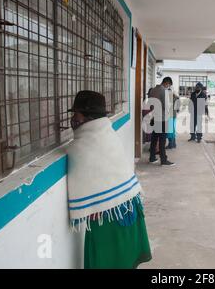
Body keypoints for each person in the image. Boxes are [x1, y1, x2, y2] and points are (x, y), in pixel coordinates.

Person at [67, 91, 151, 269]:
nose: (73, 119)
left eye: (76, 114)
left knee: (108, 259)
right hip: (127, 204)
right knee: (123, 256)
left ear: (87, 117)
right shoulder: (107, 133)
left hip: (106, 216)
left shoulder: (81, 146)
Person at [149, 77, 175, 166]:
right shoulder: (164, 91)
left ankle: (152, 158)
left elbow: (150, 105)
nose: (168, 87)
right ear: (166, 83)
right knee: (162, 140)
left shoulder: (152, 90)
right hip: (163, 119)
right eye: (169, 85)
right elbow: (166, 106)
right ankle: (163, 160)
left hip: (155, 117)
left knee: (154, 139)